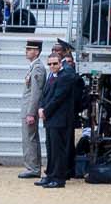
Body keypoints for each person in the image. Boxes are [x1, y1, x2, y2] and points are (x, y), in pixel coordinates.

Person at [37, 42, 82, 188]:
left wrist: (45, 110)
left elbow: (58, 97)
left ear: (60, 63)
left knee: (58, 149)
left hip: (59, 118)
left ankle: (58, 177)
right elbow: (45, 95)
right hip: (51, 118)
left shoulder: (65, 75)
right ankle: (50, 174)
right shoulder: (53, 75)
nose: (52, 66)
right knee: (51, 148)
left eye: (55, 63)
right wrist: (41, 107)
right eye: (50, 64)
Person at [16, 39, 48, 180]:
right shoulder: (34, 67)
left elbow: (36, 92)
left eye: (29, 49)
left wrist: (31, 112)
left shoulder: (38, 68)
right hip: (28, 106)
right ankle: (32, 166)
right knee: (29, 138)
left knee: (30, 138)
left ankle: (33, 167)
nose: (26, 51)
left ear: (36, 52)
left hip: (30, 107)